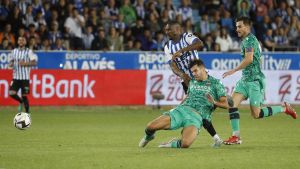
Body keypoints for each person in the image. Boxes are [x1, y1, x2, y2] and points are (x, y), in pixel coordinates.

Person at [222, 16, 297, 145]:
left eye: (240, 26)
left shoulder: (249, 41)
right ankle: (236, 136)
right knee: (232, 104)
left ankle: (284, 108)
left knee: (256, 114)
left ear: (247, 27)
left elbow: (249, 59)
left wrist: (233, 70)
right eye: (236, 27)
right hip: (245, 80)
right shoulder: (247, 40)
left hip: (255, 81)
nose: (237, 29)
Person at [138, 59, 229, 148]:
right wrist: (178, 106)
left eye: (195, 71)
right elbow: (188, 96)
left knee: (185, 144)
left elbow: (226, 105)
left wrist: (214, 102)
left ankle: (169, 144)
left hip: (197, 118)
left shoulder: (216, 83)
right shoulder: (193, 82)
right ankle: (149, 136)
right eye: (192, 72)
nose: (193, 74)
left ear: (203, 68)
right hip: (182, 110)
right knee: (150, 126)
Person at [164, 21, 223, 146]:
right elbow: (172, 65)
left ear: (177, 28)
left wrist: (183, 50)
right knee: (197, 109)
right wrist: (182, 75)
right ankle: (215, 138)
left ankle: (212, 137)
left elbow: (199, 43)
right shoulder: (167, 46)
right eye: (166, 30)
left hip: (201, 77)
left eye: (169, 29)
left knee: (205, 108)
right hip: (187, 81)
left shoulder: (187, 37)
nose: (167, 32)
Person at [8, 36, 37, 114]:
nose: (21, 41)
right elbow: (10, 62)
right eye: (19, 40)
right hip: (16, 77)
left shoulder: (29, 51)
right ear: (17, 42)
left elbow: (34, 62)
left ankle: (28, 113)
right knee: (11, 93)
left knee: (24, 95)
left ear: (25, 42)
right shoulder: (13, 51)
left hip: (25, 77)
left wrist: (25, 63)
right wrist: (11, 64)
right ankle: (21, 102)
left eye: (23, 40)